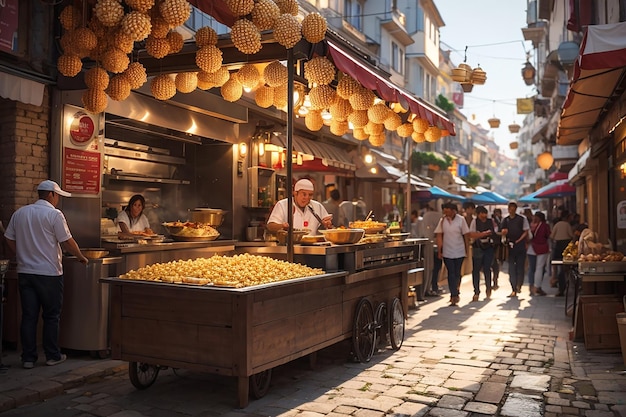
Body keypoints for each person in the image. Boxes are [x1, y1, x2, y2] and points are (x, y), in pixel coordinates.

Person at [3, 180, 88, 369]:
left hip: (25, 272)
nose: (57, 200)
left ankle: (28, 358)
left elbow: (8, 237)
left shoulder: (20, 213)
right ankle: (52, 355)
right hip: (49, 274)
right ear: (51, 194)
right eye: (57, 196)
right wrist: (81, 256)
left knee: (29, 316)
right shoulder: (54, 214)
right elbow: (67, 241)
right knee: (51, 316)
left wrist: (20, 254)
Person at [267, 178, 333, 235]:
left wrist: (327, 225)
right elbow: (270, 226)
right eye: (304, 194)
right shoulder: (283, 205)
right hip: (289, 246)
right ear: (295, 193)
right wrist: (282, 226)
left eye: (310, 195)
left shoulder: (317, 206)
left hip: (313, 247)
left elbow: (327, 227)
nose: (307, 198)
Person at [434, 202, 470, 306]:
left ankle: (456, 291)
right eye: (444, 210)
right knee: (451, 273)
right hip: (447, 251)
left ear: (453, 210)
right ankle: (454, 294)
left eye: (447, 210)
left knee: (457, 273)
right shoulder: (442, 221)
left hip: (459, 250)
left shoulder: (461, 220)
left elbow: (466, 236)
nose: (445, 212)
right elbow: (439, 236)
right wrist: (440, 250)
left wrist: (466, 250)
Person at [501, 201, 530, 297]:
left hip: (520, 246)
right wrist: (504, 233)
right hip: (509, 247)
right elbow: (502, 232)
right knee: (511, 268)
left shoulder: (522, 219)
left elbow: (526, 231)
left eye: (513, 209)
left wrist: (519, 240)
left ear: (515, 209)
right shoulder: (505, 220)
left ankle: (519, 285)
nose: (511, 211)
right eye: (510, 209)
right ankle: (513, 288)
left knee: (520, 267)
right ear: (509, 209)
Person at [468, 206, 496, 301]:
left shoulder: (490, 221)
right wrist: (483, 234)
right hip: (478, 247)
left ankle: (488, 288)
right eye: (482, 214)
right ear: (478, 214)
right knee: (476, 270)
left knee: (487, 269)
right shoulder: (474, 222)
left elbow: (495, 232)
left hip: (489, 248)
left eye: (485, 214)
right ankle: (476, 291)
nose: (484, 216)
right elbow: (471, 234)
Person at [421, 204, 443, 297]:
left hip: (430, 247)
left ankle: (432, 287)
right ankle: (433, 287)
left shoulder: (426, 217)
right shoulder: (439, 217)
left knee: (433, 268)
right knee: (435, 268)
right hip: (435, 247)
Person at [526, 211, 551, 296]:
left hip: (531, 248)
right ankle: (537, 287)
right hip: (542, 248)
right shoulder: (545, 225)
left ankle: (531, 286)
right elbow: (548, 235)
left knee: (531, 268)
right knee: (540, 268)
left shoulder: (531, 224)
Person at [550, 210, 574, 296]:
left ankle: (559, 285)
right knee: (565, 268)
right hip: (566, 246)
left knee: (558, 266)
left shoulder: (557, 224)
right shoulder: (567, 225)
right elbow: (571, 235)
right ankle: (565, 285)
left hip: (557, 246)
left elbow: (552, 236)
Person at [490, 208, 504, 290]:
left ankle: (495, 280)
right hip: (492, 245)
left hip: (497, 245)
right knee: (494, 264)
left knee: (495, 264)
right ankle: (494, 280)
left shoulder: (501, 221)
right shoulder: (492, 221)